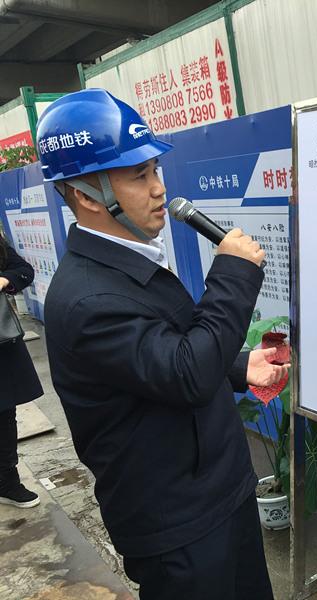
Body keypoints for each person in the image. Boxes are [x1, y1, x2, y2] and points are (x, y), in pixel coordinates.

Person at [39, 89, 289, 600]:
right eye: (139, 176)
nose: (159, 189)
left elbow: (165, 355)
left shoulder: (125, 263)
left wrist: (239, 366)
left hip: (218, 490)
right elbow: (186, 374)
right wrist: (233, 273)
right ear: (87, 196)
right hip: (177, 522)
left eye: (155, 169)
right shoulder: (88, 298)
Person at [0, 234, 44, 508]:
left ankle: (7, 482)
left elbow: (23, 270)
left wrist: (5, 279)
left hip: (1, 344)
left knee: (4, 413)